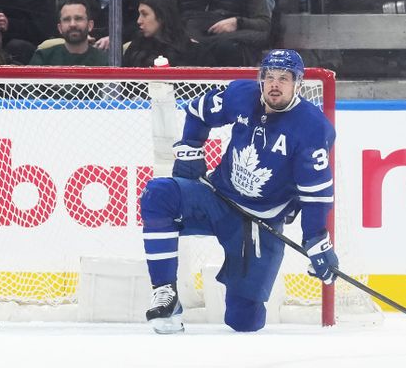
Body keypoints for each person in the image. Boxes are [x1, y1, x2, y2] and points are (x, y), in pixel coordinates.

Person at [139, 49, 337, 333]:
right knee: (158, 194)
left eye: (283, 78)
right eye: (269, 77)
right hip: (218, 198)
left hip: (261, 222)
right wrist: (191, 148)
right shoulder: (242, 95)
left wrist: (316, 239)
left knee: (244, 320)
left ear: (298, 84)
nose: (274, 84)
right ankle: (165, 294)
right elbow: (197, 110)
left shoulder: (312, 129)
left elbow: (316, 196)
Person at [122, 0, 208, 67]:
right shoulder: (136, 48)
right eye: (139, 14)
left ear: (161, 17)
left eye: (144, 14)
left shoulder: (194, 51)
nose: (139, 21)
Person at [30, 0, 108, 66]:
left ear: (90, 25)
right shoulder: (43, 58)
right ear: (60, 28)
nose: (72, 24)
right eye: (66, 19)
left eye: (78, 18)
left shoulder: (106, 61)